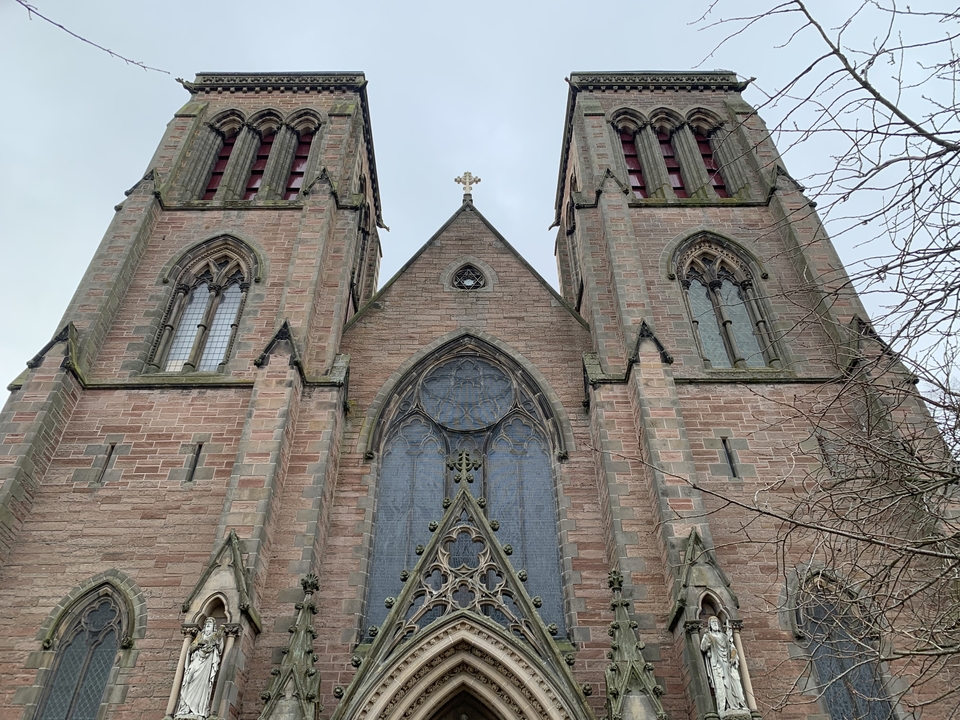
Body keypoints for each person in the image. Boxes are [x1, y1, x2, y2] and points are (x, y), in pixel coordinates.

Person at [175, 617, 225, 719]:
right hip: (196, 660)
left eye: (209, 625)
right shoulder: (199, 636)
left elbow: (220, 648)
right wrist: (199, 644)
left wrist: (217, 640)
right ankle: (184, 708)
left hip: (206, 665)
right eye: (206, 624)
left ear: (213, 627)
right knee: (188, 679)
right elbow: (191, 648)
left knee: (202, 685)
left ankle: (197, 709)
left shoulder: (215, 636)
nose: (207, 626)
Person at [700, 615, 747, 717]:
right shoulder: (708, 636)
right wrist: (707, 640)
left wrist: (733, 656)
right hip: (717, 666)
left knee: (735, 684)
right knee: (721, 686)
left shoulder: (725, 637)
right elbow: (703, 648)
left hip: (729, 665)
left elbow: (733, 649)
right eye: (713, 623)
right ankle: (724, 707)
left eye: (716, 623)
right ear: (710, 626)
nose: (715, 625)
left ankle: (738, 704)